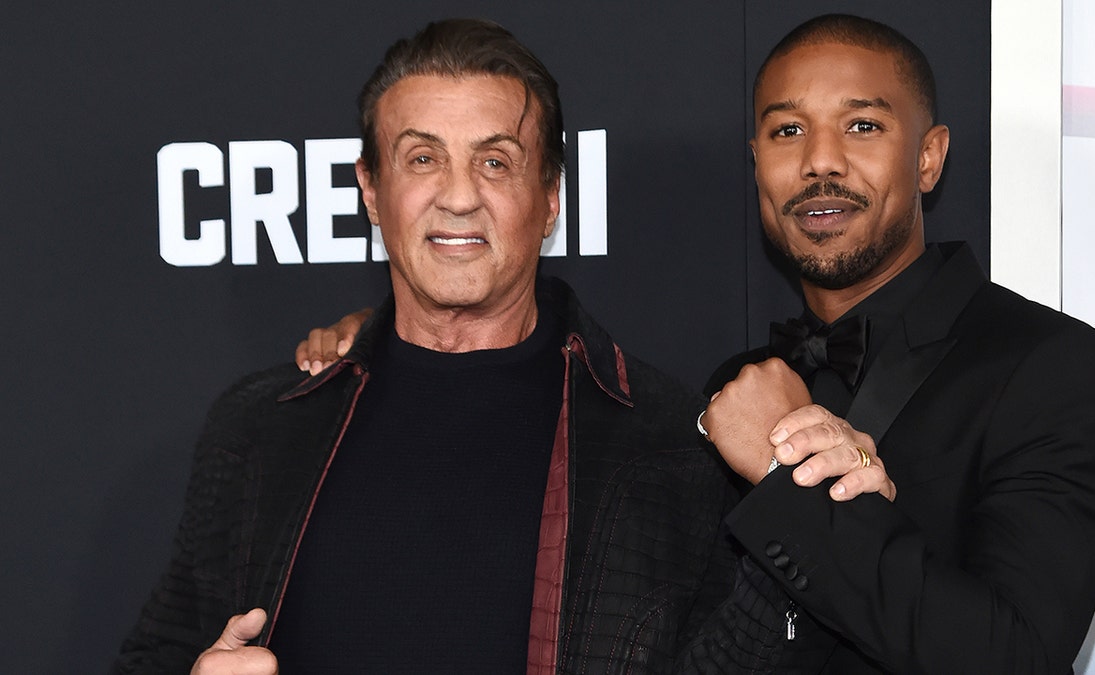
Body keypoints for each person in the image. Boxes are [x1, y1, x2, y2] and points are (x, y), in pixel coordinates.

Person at [301, 13, 1095, 675]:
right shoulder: (731, 387)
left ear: (929, 157)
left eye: (864, 125)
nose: (820, 164)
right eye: (785, 133)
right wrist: (396, 346)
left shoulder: (1056, 366)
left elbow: (1013, 658)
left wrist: (790, 485)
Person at [115, 18, 892, 674]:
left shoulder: (665, 438)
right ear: (370, 190)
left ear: (550, 196)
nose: (458, 194)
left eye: (495, 160)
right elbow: (154, 652)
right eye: (422, 158)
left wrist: (807, 520)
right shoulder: (259, 427)